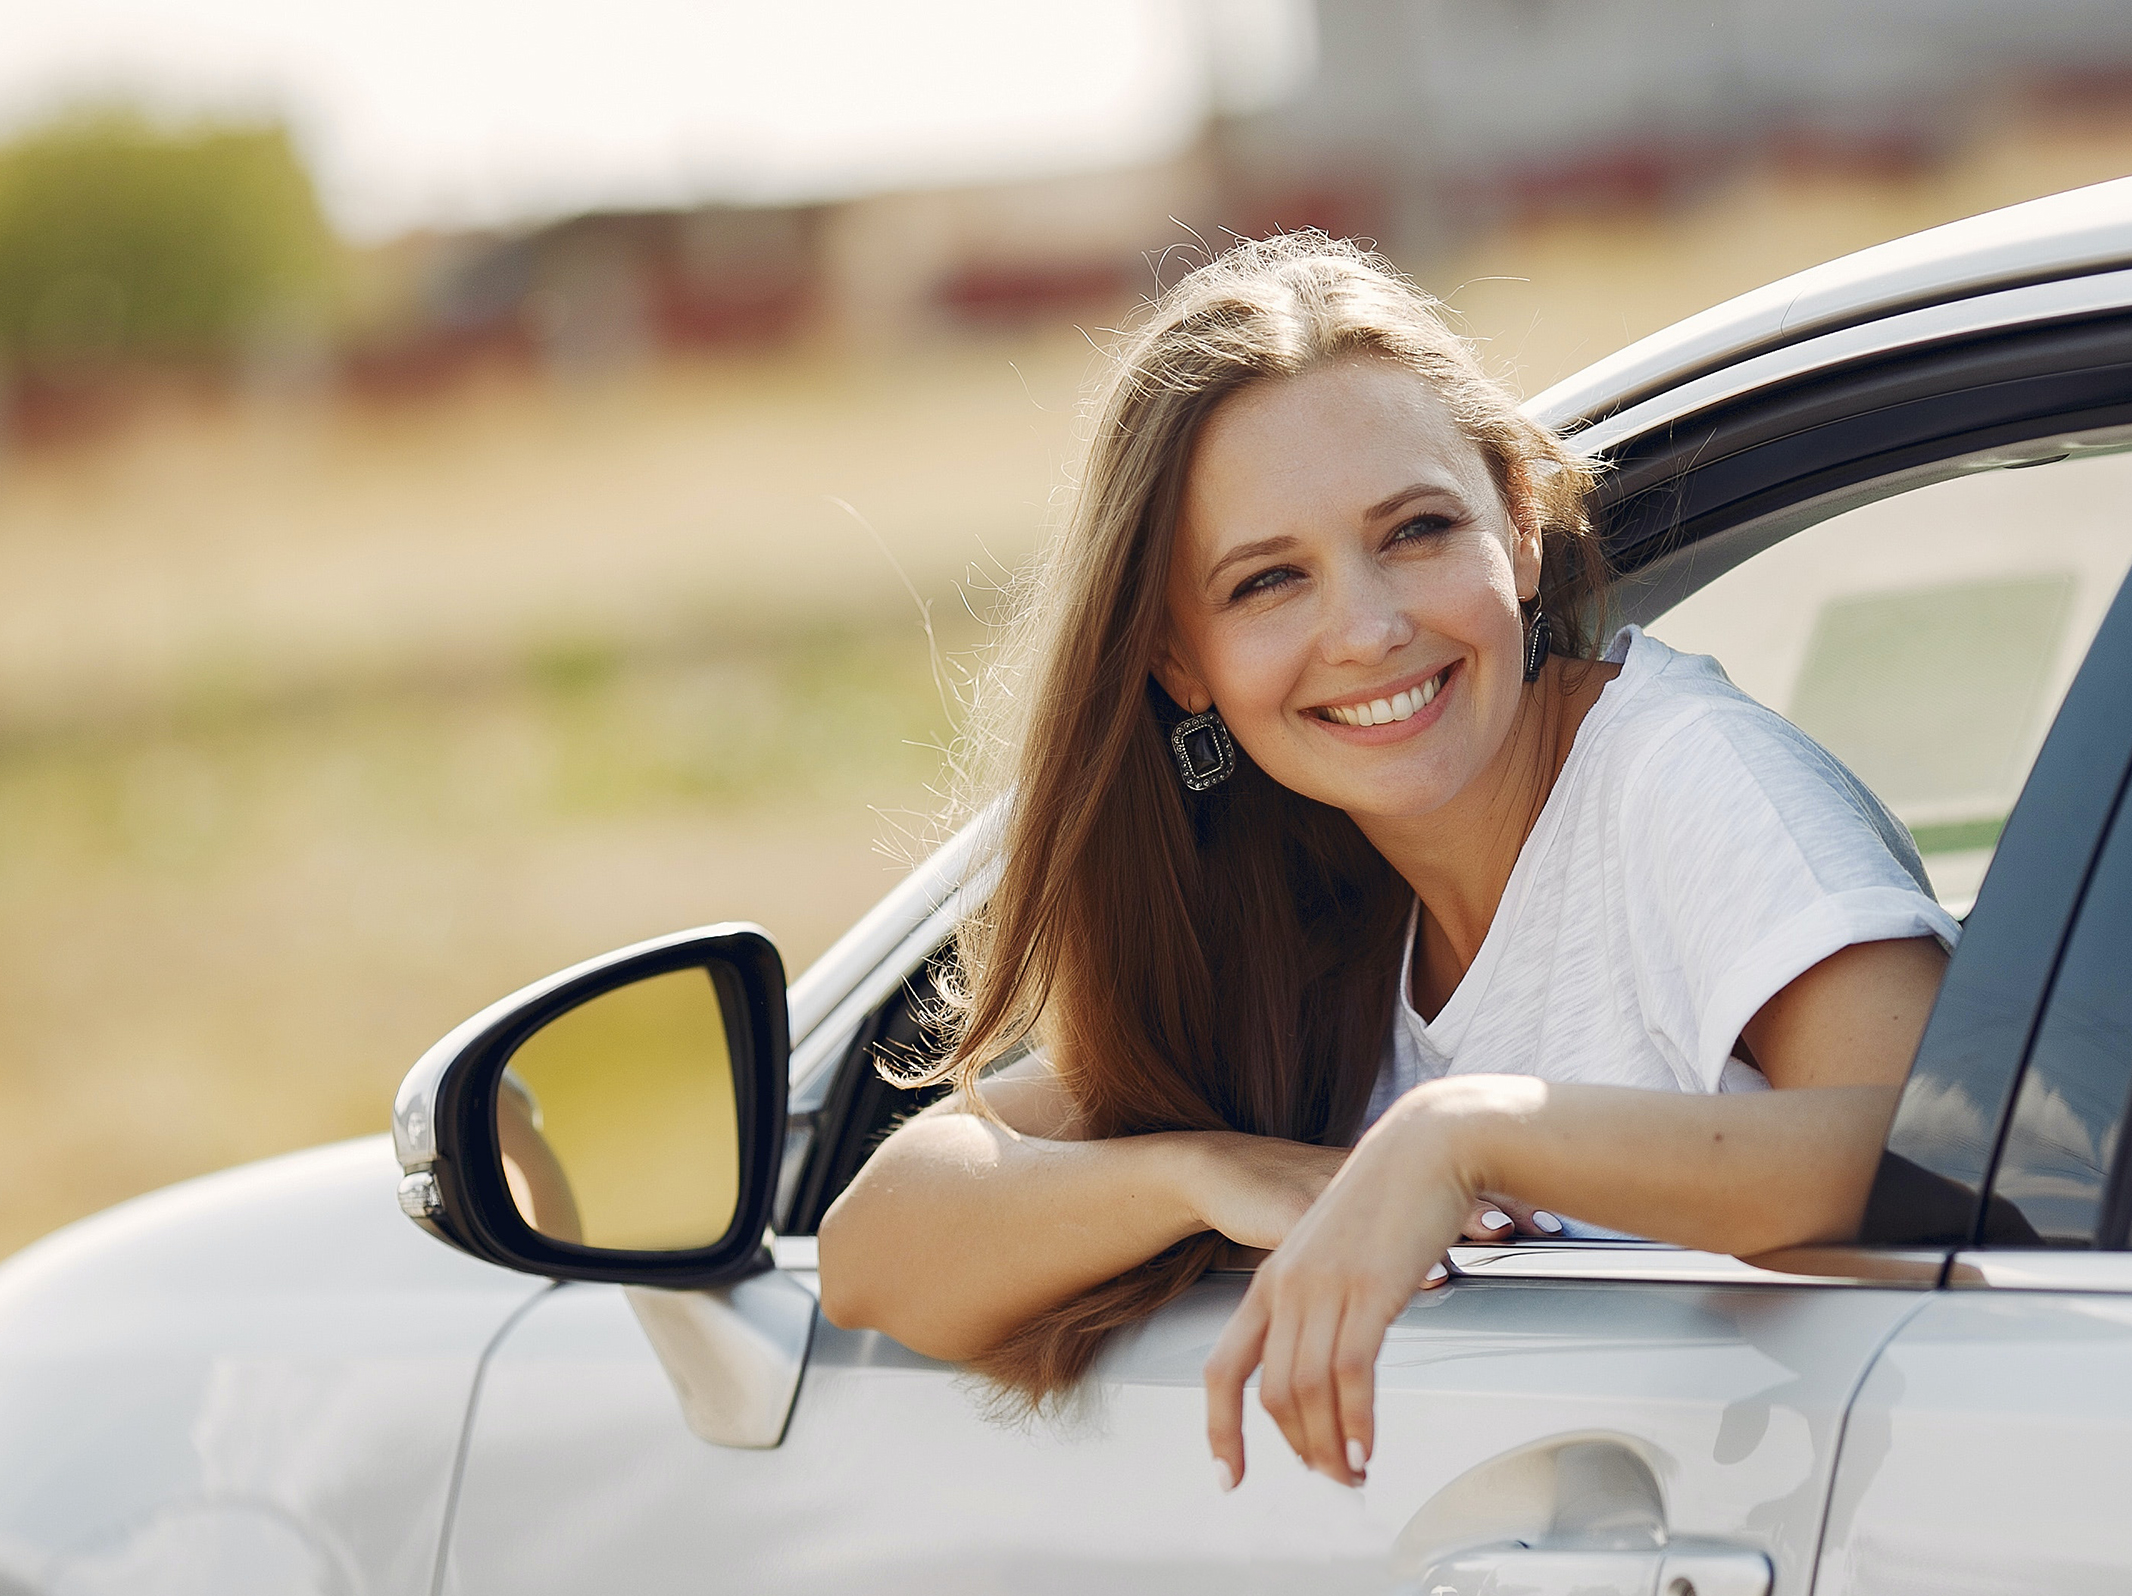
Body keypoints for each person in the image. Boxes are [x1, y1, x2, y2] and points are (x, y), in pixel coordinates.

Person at [819, 233, 1954, 1490]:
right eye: (1266, 583)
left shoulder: (1683, 777)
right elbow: (878, 1251)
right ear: (1179, 662)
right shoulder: (1306, 903)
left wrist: (1465, 1136)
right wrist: (1209, 1171)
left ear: (1517, 530)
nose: (1365, 628)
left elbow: (1948, 1163)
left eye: (1415, 530)